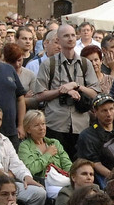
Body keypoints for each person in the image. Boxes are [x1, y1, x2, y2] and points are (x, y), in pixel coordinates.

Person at [31, 25, 100, 154]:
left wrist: (76, 86)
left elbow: (94, 93)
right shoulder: (49, 64)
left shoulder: (85, 64)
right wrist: (62, 91)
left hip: (81, 125)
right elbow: (39, 95)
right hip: (56, 123)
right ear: (58, 40)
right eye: (66, 36)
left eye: (73, 35)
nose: (70, 39)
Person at [17, 109, 72, 181]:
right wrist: (47, 154)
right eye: (36, 125)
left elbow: (67, 164)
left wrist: (71, 175)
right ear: (28, 129)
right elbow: (31, 169)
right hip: (40, 182)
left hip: (62, 180)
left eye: (43, 124)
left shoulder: (54, 143)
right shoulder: (24, 146)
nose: (41, 128)